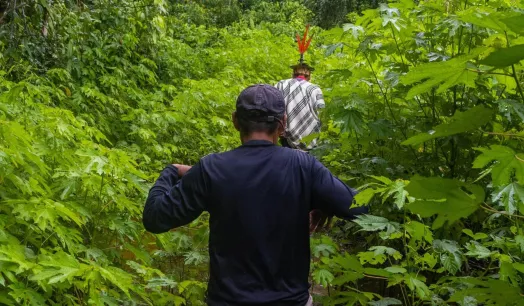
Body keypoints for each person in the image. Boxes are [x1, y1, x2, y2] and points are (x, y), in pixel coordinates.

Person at [142, 84, 368, 306]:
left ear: (235, 121)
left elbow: (155, 218)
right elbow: (359, 207)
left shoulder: (211, 169)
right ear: (283, 125)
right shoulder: (302, 166)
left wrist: (171, 171)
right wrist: (324, 203)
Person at [276, 25, 325, 151]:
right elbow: (321, 110)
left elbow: (273, 107)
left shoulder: (281, 85)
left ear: (294, 73)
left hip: (285, 137)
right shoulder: (314, 89)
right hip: (309, 139)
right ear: (309, 75)